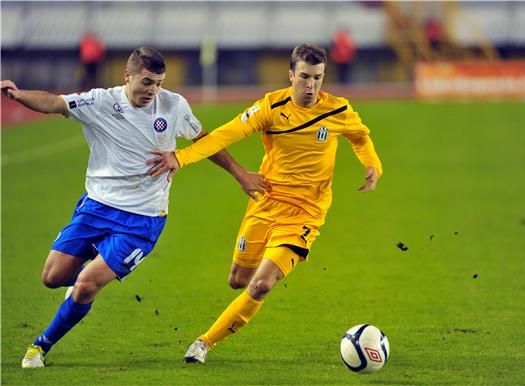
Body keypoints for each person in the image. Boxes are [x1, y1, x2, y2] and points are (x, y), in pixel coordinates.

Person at [1, 47, 268, 369]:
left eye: (158, 83)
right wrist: (17, 94)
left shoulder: (173, 105)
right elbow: (54, 102)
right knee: (52, 278)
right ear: (127, 76)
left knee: (86, 286)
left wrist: (240, 175)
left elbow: (204, 140)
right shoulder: (100, 102)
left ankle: (40, 346)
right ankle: (79, 285)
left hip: (142, 219)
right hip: (96, 207)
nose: (152, 91)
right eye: (146, 82)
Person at [147, 44, 382, 364]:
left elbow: (360, 136)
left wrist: (372, 165)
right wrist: (182, 157)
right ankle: (264, 269)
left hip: (305, 212)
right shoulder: (271, 107)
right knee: (238, 281)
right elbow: (226, 134)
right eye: (304, 77)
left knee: (259, 285)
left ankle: (203, 343)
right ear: (291, 75)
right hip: (266, 202)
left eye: (318, 78)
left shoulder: (338, 110)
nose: (311, 86)